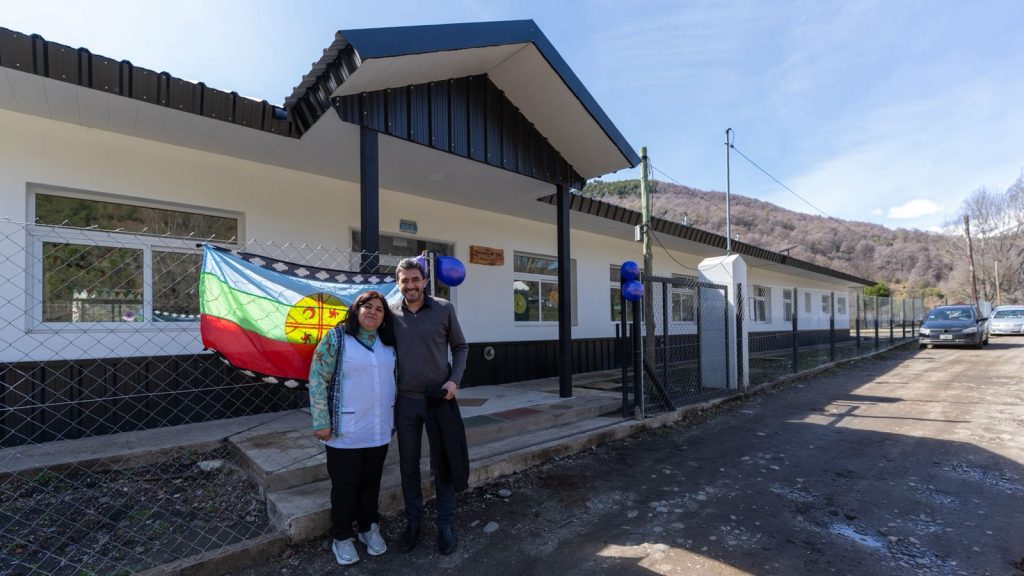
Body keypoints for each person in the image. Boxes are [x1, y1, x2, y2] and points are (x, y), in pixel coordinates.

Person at [308, 290, 397, 566]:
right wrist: (321, 420)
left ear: (384, 318)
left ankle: (369, 528)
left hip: (379, 429)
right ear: (356, 311)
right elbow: (317, 377)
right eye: (367, 306)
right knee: (345, 487)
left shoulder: (388, 343)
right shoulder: (337, 338)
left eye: (379, 309)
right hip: (344, 431)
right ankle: (342, 536)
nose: (373, 312)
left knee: (371, 483)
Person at [391, 257, 469, 556]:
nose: (410, 285)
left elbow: (460, 347)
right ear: (398, 284)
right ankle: (413, 522)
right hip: (406, 402)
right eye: (405, 281)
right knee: (408, 465)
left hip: (439, 400)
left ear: (425, 281)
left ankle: (445, 524)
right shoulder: (390, 313)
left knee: (443, 463)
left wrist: (454, 380)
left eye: (415, 279)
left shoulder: (444, 309)